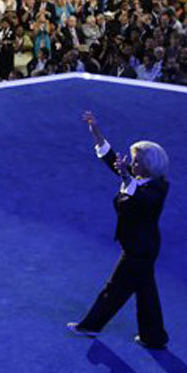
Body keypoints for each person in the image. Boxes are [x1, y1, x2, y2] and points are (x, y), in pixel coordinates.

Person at [68, 111, 170, 350]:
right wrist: (96, 132)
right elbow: (111, 158)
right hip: (139, 247)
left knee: (114, 290)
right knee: (146, 293)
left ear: (148, 165)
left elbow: (142, 200)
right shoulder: (136, 178)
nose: (131, 164)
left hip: (140, 249)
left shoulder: (157, 188)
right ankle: (153, 337)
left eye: (136, 161)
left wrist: (126, 176)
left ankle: (91, 326)